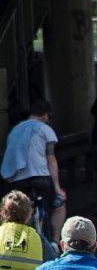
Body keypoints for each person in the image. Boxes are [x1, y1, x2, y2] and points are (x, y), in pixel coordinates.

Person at [1, 101, 65, 239]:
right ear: (45, 116)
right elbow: (51, 158)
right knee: (59, 204)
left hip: (17, 181)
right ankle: (55, 242)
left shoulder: (15, 130)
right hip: (40, 178)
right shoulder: (44, 129)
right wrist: (57, 188)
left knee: (18, 210)